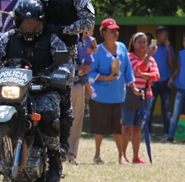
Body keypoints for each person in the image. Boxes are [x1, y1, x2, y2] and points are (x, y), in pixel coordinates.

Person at [0, 0, 73, 182]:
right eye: (25, 23)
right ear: (18, 22)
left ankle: (54, 162)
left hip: (42, 89)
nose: (29, 27)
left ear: (41, 22)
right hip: (12, 91)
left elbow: (65, 63)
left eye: (33, 23)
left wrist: (62, 72)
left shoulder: (51, 39)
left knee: (48, 116)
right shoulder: (9, 38)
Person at [34, 0, 95, 157]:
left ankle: (62, 147)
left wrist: (62, 29)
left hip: (64, 51)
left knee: (63, 95)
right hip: (39, 47)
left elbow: (88, 22)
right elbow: (29, 6)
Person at [88, 19, 140, 164]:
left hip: (118, 95)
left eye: (116, 30)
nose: (115, 33)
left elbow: (128, 70)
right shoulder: (97, 50)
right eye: (111, 31)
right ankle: (97, 155)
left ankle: (121, 155)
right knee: (99, 127)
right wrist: (106, 77)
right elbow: (90, 72)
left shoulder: (122, 47)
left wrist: (133, 87)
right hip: (100, 95)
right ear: (104, 33)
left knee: (118, 127)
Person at [127, 32, 159, 164]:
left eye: (144, 42)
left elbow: (156, 75)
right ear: (133, 44)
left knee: (138, 127)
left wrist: (144, 75)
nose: (142, 45)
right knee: (127, 125)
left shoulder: (151, 59)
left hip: (147, 95)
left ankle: (136, 156)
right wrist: (147, 58)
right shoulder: (129, 57)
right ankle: (123, 155)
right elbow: (138, 68)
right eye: (139, 42)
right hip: (131, 94)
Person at [67, 30, 94, 164]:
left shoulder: (85, 41)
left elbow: (85, 66)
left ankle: (71, 155)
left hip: (78, 85)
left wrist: (87, 86)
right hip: (61, 86)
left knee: (76, 121)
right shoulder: (61, 37)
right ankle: (57, 154)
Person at [150, 26, 175, 137]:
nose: (166, 38)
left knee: (166, 108)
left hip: (165, 81)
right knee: (150, 107)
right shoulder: (151, 48)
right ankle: (148, 132)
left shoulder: (168, 48)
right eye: (164, 36)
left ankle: (167, 133)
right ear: (158, 36)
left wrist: (169, 49)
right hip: (153, 82)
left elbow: (171, 65)